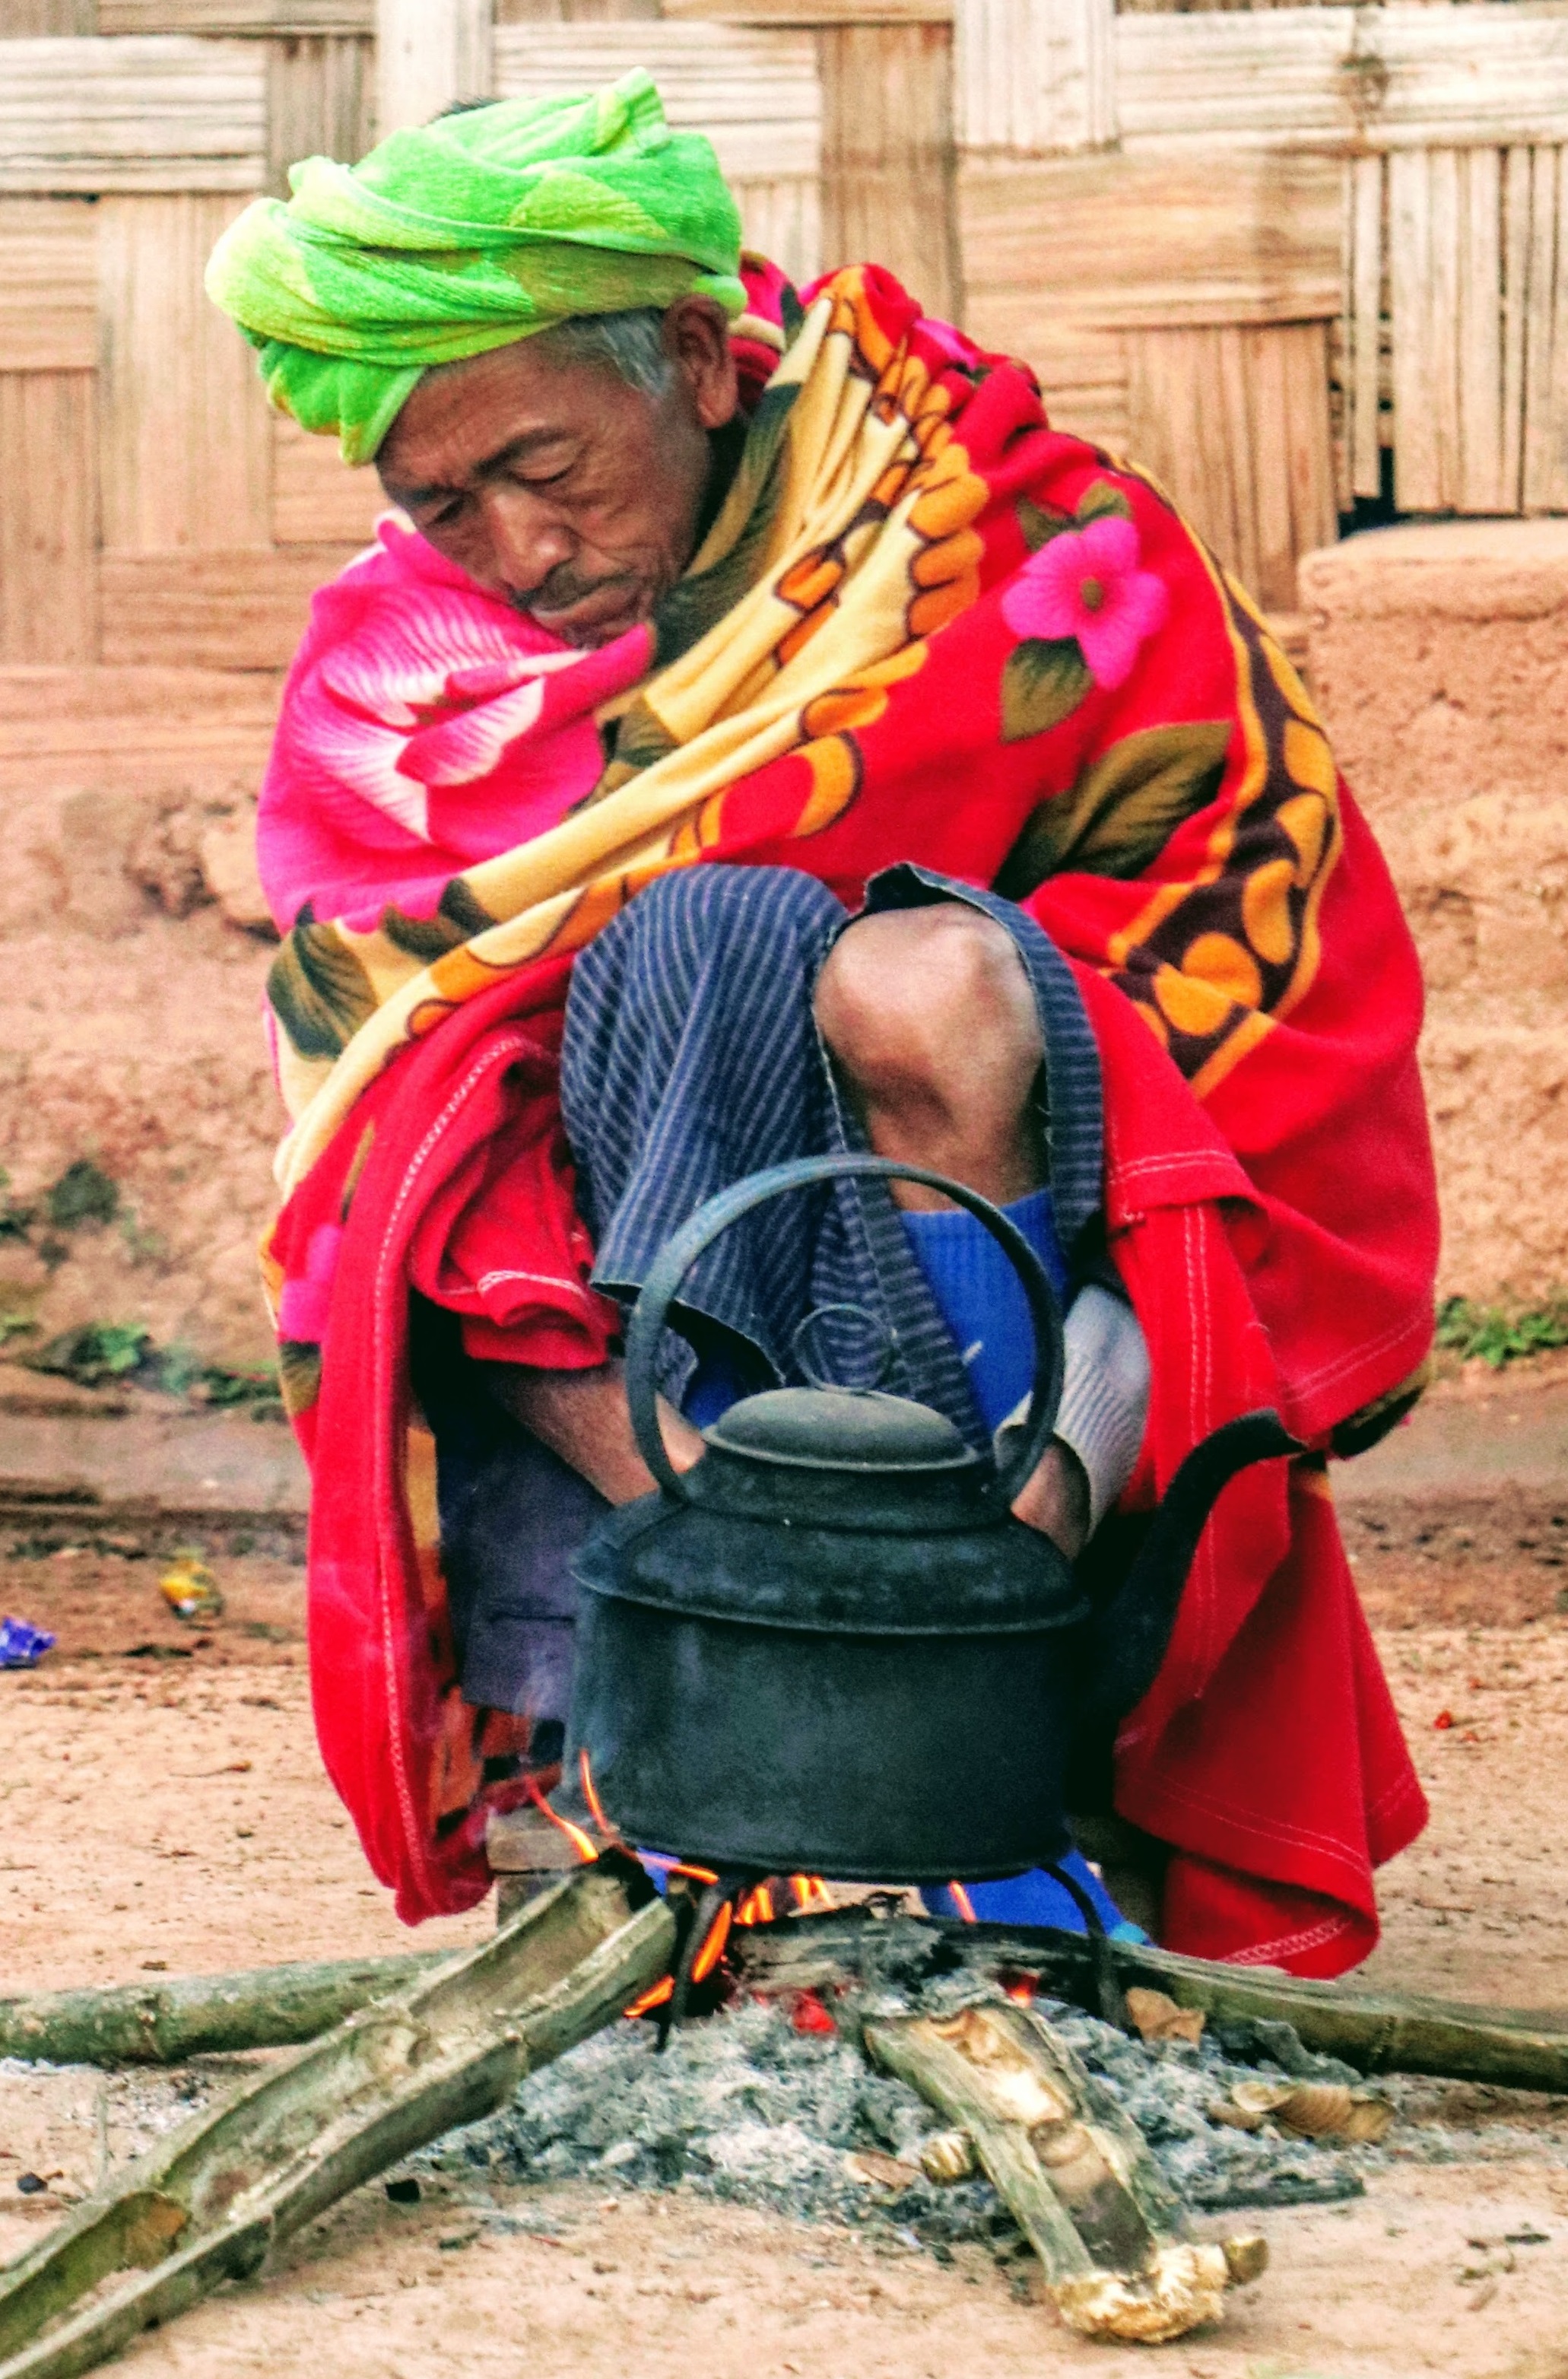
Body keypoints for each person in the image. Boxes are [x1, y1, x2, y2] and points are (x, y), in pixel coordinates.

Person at [207, 75, 1439, 1969]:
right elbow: (387, 1133)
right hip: (642, 1376)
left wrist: (1036, 1460)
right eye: (443, 502)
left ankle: (992, 1662)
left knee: (889, 966)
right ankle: (687, 1700)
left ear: (698, 359)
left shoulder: (989, 532)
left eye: (548, 466)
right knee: (605, 1015)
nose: (515, 549)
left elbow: (1236, 925)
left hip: (1041, 1267)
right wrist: (726, 1517)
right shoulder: (400, 681)